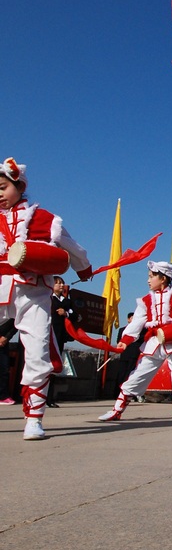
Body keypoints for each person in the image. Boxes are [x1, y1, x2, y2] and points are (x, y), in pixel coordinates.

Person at [0, 158, 92, 440]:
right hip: (1, 285)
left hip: (34, 291)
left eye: (2, 187)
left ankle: (34, 418)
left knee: (38, 351)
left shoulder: (45, 218)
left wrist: (83, 268)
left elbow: (72, 246)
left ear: (20, 186)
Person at [99, 260, 172, 422]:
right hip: (154, 342)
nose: (148, 280)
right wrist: (126, 340)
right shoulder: (145, 301)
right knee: (138, 374)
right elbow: (137, 322)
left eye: (151, 277)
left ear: (163, 278)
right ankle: (117, 409)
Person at [47, 275, 78, 407]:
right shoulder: (47, 298)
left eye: (61, 283)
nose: (60, 285)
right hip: (47, 335)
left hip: (59, 337)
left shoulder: (67, 302)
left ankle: (49, 397)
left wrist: (65, 313)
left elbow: (76, 316)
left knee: (54, 367)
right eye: (57, 283)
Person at [0, 317, 17, 404]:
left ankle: (3, 396)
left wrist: (6, 337)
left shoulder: (11, 312)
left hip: (3, 342)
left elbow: (16, 325)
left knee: (4, 370)